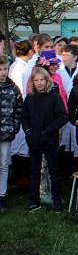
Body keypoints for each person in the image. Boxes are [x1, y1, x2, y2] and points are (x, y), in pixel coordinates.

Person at [22, 67, 68, 212]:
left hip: (49, 140)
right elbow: (24, 116)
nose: (39, 83)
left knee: (54, 171)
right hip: (34, 140)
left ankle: (56, 200)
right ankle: (34, 200)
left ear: (47, 80)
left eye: (42, 80)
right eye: (36, 80)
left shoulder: (54, 96)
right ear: (32, 82)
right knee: (34, 171)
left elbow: (62, 116)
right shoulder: (30, 97)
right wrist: (28, 132)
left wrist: (48, 130)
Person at [0, 55, 23, 212]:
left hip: (6, 133)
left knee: (4, 164)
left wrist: (14, 127)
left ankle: (2, 195)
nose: (3, 72)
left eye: (5, 69)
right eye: (0, 69)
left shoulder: (13, 88)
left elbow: (18, 109)